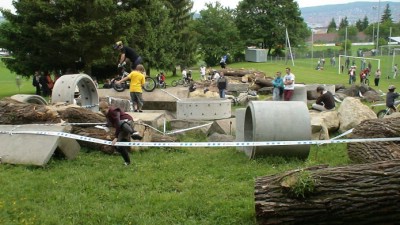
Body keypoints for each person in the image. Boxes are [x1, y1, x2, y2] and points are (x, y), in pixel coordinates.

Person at [99, 101, 143, 166]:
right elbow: (111, 123)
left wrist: (116, 137)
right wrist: (106, 125)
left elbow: (117, 122)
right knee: (119, 146)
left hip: (128, 122)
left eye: (104, 111)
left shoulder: (113, 111)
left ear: (108, 108)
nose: (103, 113)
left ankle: (133, 133)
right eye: (102, 112)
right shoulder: (108, 115)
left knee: (120, 122)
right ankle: (127, 162)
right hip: (122, 128)